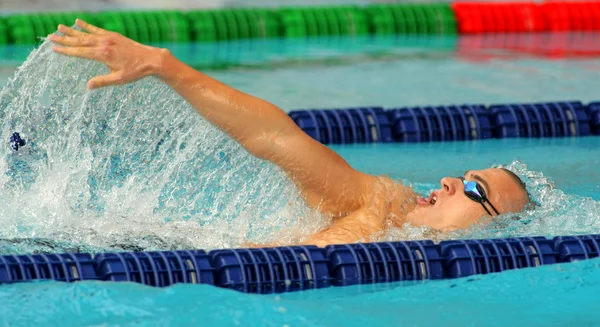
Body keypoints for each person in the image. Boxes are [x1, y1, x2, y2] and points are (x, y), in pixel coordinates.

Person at [49, 20, 531, 248]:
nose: (449, 181)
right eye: (463, 175)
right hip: (138, 254)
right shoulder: (385, 203)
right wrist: (164, 64)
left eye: (474, 189)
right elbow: (280, 140)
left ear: (493, 230)